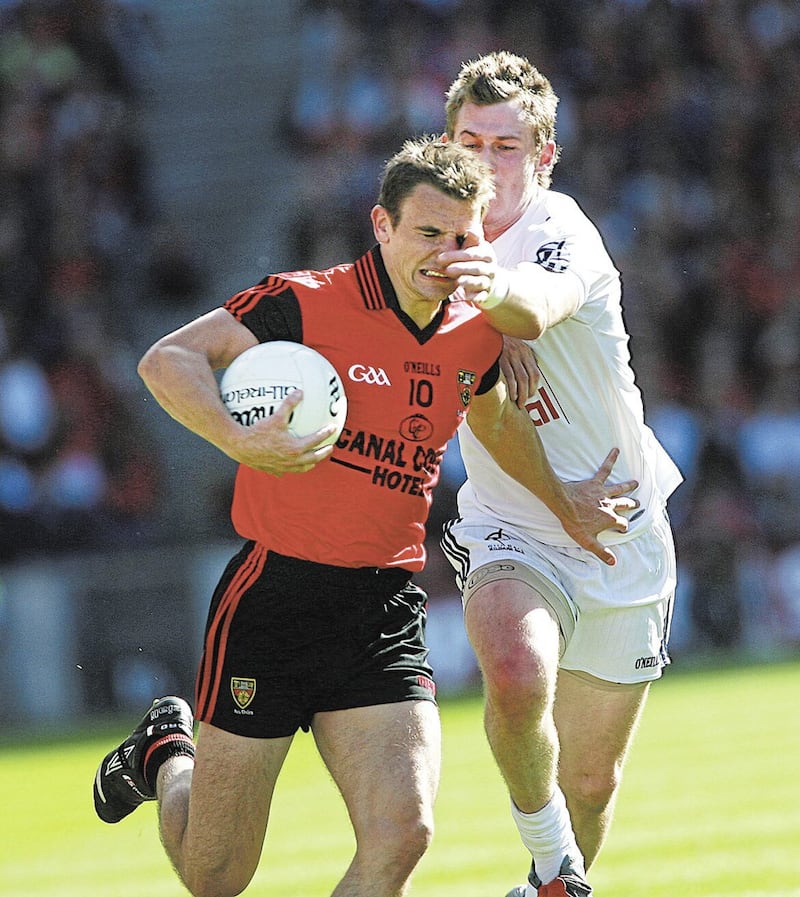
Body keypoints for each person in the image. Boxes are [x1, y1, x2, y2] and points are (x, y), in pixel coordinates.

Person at [91, 136, 636, 897]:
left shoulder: (477, 331)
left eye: (462, 237)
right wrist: (237, 436)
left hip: (380, 607)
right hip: (273, 598)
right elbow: (167, 359)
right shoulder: (303, 301)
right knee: (216, 876)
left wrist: (567, 501)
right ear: (381, 224)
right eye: (426, 232)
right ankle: (165, 754)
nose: (445, 254)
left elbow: (501, 422)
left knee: (404, 832)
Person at [436, 52, 683, 897]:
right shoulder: (422, 243)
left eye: (505, 146)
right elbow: (483, 414)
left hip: (620, 525)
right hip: (519, 522)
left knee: (592, 781)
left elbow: (533, 308)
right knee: (513, 668)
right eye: (467, 140)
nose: (483, 161)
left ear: (543, 159)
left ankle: (548, 879)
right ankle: (551, 867)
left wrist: (478, 292)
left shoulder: (562, 228)